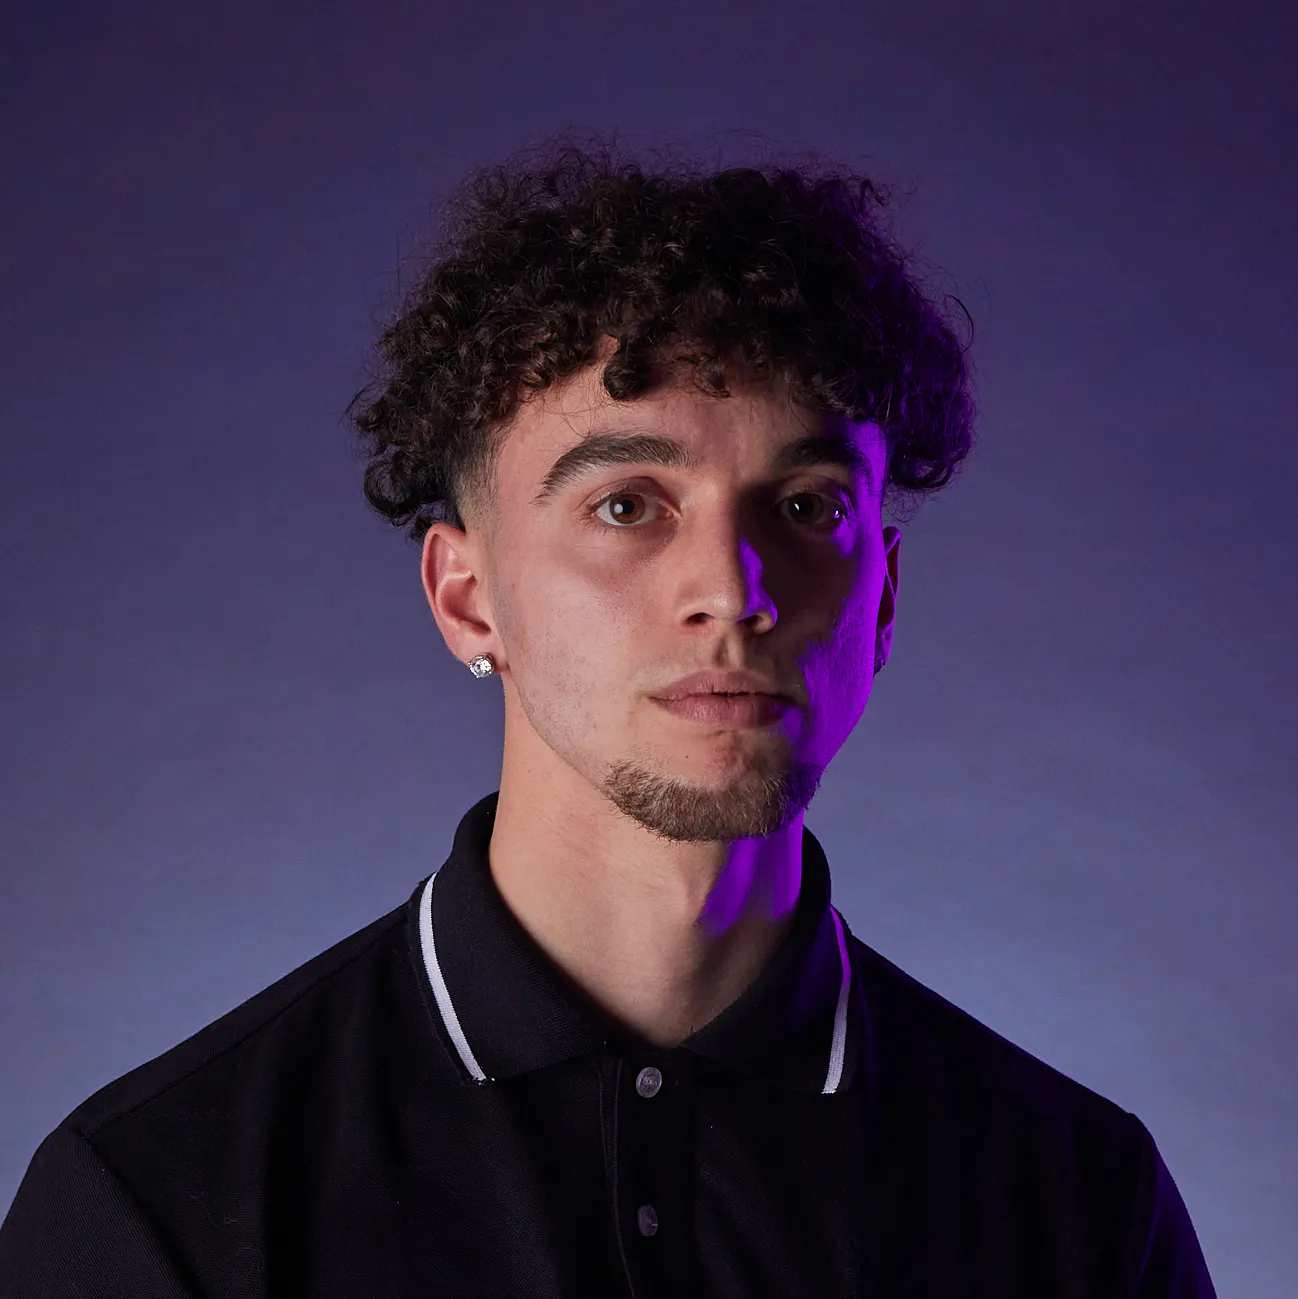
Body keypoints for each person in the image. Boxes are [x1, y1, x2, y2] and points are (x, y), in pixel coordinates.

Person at [0, 136, 1217, 1297]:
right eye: (628, 506)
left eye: (803, 507)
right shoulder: (160, 1197)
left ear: (882, 596)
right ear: (466, 598)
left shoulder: (1077, 1200)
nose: (730, 590)